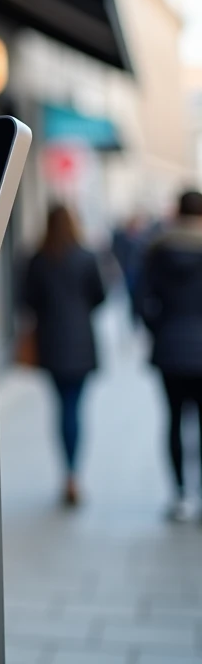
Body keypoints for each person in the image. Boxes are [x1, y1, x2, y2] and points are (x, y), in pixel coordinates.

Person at [23, 205, 107, 507]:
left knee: (62, 407)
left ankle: (68, 473)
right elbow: (101, 296)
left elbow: (27, 300)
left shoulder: (38, 259)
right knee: (75, 406)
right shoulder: (85, 257)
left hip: (51, 343)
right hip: (81, 343)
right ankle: (73, 474)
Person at [137, 190, 202, 523]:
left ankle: (180, 495)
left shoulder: (158, 249)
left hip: (170, 349)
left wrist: (159, 329)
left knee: (174, 421)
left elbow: (143, 298)